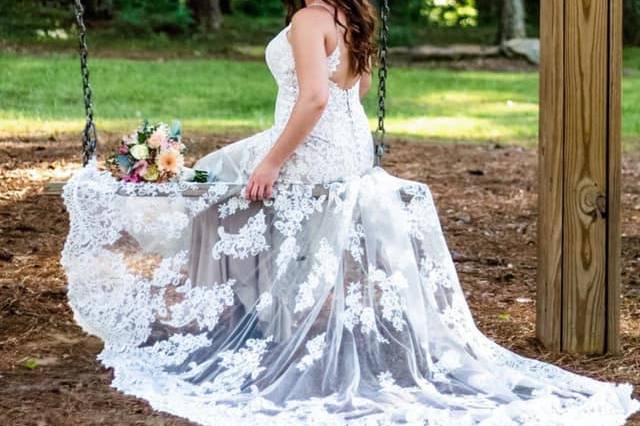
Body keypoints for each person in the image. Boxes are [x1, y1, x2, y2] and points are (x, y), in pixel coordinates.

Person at [61, 1, 639, 424]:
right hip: (346, 146)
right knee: (220, 173)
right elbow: (352, 93)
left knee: (219, 196)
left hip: (313, 149)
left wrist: (274, 160)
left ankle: (244, 325)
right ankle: (258, 312)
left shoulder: (312, 17)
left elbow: (314, 98)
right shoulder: (354, 12)